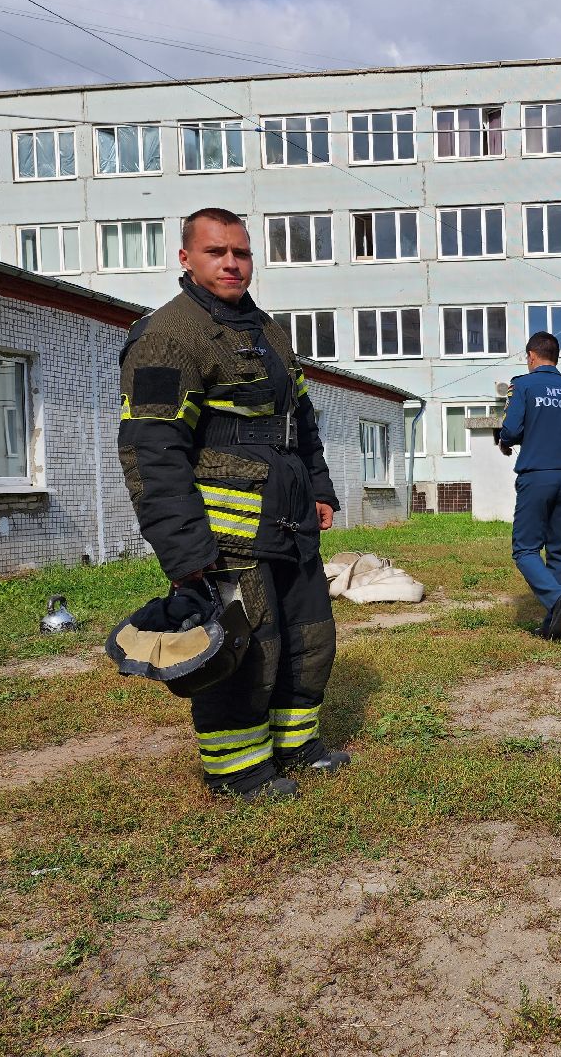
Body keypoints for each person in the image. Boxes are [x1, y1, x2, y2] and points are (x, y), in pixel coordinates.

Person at [117, 207, 349, 801]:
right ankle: (238, 771)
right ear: (186, 259)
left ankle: (296, 744)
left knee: (308, 634)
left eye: (240, 253)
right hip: (224, 533)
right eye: (217, 252)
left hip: (289, 519)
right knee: (247, 647)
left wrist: (319, 489)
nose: (231, 263)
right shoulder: (167, 336)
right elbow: (151, 451)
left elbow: (301, 419)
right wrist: (184, 552)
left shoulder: (267, 330)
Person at [499, 331, 561, 640]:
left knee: (525, 549)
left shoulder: (523, 385)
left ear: (531, 356)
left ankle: (556, 600)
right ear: (556, 357)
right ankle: (557, 623)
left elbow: (512, 429)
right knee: (559, 549)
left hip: (536, 475)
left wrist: (505, 441)